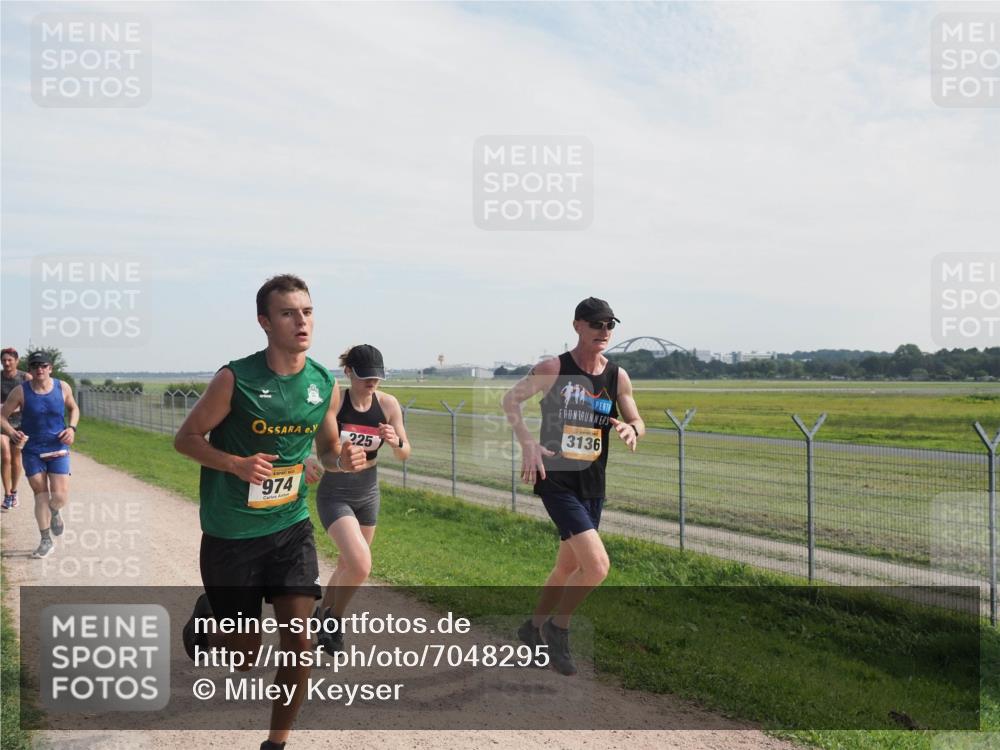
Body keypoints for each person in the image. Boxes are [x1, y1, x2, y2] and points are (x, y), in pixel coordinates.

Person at [173, 274, 366, 750]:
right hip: (232, 534)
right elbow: (186, 439)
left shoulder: (323, 383)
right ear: (265, 322)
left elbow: (326, 451)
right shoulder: (234, 379)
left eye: (307, 311)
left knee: (299, 643)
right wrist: (235, 464)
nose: (302, 321)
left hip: (289, 527)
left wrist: (341, 460)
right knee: (244, 656)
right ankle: (208, 623)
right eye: (288, 313)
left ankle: (275, 744)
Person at [502, 297, 644, 676]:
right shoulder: (554, 368)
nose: (604, 331)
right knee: (596, 567)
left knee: (567, 566)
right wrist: (528, 443)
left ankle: (531, 628)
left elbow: (637, 419)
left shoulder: (617, 376)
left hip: (592, 483)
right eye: (596, 323)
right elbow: (510, 400)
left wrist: (633, 428)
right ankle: (558, 627)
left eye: (610, 324)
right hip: (556, 479)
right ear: (578, 325)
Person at [309, 344, 411, 655]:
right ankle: (334, 620)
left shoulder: (388, 404)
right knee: (360, 564)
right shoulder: (336, 402)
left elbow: (405, 452)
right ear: (348, 372)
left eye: (377, 377)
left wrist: (396, 441)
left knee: (347, 563)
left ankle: (321, 615)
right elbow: (311, 440)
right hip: (335, 492)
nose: (372, 382)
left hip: (368, 492)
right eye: (365, 376)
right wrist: (306, 459)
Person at [0, 351, 79, 559]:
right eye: (35, 366)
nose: (39, 369)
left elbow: (74, 408)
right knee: (40, 494)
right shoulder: (20, 391)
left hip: (58, 448)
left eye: (43, 365)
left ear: (50, 368)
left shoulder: (63, 387)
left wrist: (72, 428)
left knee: (60, 497)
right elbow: (2, 417)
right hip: (32, 450)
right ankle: (45, 540)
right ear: (30, 370)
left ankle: (55, 511)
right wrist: (12, 433)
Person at [1, 348, 30, 510]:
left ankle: (14, 491)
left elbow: (32, 398)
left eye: (10, 360)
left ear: (17, 361)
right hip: (2, 422)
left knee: (16, 458)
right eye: (4, 360)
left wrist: (17, 406)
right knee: (5, 456)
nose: (6, 363)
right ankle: (6, 495)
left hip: (20, 424)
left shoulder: (25, 378)